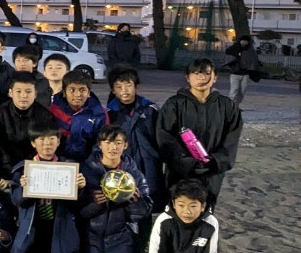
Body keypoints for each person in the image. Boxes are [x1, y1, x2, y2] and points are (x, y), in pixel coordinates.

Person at [155, 58, 242, 210]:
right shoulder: (174, 104)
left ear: (215, 77)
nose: (201, 77)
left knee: (205, 210)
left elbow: (232, 138)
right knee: (178, 210)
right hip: (180, 172)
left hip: (211, 172)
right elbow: (165, 136)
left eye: (207, 73)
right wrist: (186, 161)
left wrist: (216, 161)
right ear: (187, 78)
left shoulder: (227, 106)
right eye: (196, 73)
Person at [8, 124, 87, 253]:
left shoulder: (69, 167)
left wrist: (80, 189)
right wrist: (23, 189)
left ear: (58, 142)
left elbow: (79, 206)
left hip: (59, 223)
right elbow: (17, 200)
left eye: (52, 139)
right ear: (33, 143)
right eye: (41, 139)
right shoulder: (23, 168)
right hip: (34, 224)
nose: (47, 144)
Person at [78, 125, 151, 253]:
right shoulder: (85, 171)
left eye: (118, 143)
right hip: (91, 235)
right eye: (108, 142)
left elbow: (144, 212)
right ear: (99, 145)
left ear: (126, 145)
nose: (113, 147)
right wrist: (93, 203)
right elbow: (76, 211)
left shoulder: (134, 174)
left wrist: (135, 202)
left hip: (122, 236)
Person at [106, 67, 165, 211]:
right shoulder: (109, 113)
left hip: (148, 166)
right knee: (122, 207)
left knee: (146, 206)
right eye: (119, 87)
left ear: (136, 86)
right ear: (113, 90)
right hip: (122, 166)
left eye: (128, 85)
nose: (124, 90)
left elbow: (162, 138)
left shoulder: (150, 110)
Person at [0, 75, 54, 176]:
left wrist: (28, 166)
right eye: (18, 91)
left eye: (28, 92)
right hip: (4, 165)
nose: (23, 96)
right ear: (10, 93)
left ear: (35, 94)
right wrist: (5, 171)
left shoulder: (44, 115)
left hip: (34, 165)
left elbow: (44, 144)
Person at [48, 72, 107, 163]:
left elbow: (102, 142)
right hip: (57, 161)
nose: (77, 94)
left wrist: (91, 163)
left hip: (88, 162)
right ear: (64, 92)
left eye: (82, 90)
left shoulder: (99, 113)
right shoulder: (54, 110)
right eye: (72, 90)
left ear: (89, 93)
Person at [224, 35, 261, 107]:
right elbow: (228, 52)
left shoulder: (250, 50)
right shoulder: (234, 48)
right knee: (234, 90)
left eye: (246, 41)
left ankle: (236, 106)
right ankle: (230, 106)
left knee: (242, 92)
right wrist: (237, 54)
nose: (244, 42)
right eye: (243, 41)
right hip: (235, 73)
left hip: (245, 74)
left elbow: (254, 60)